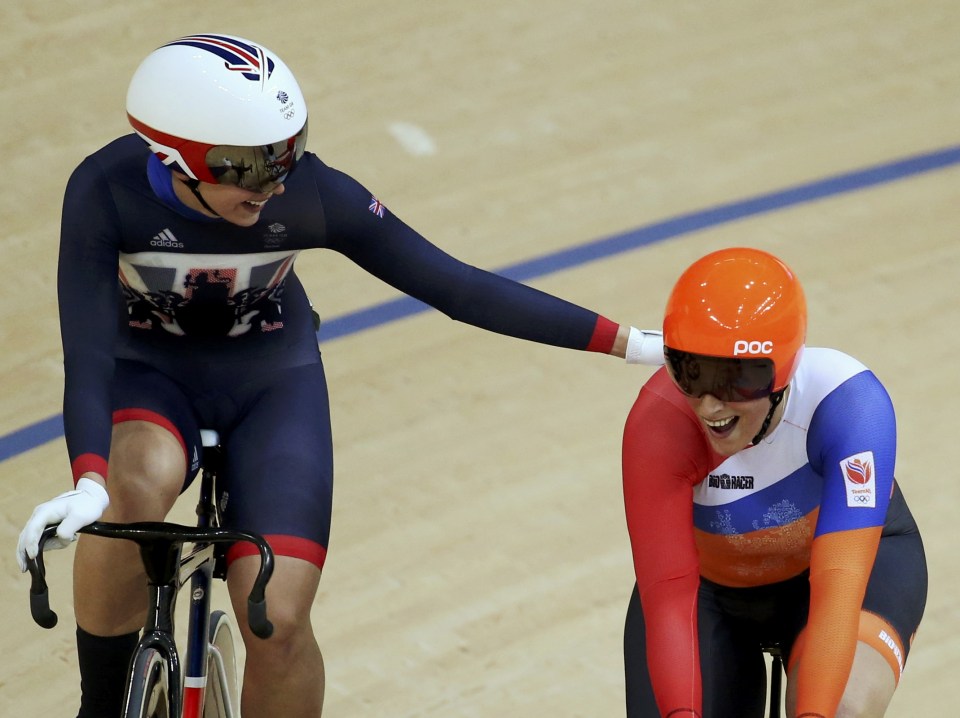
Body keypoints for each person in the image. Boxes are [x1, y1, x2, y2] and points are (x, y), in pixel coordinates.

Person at [13, 33, 663, 718]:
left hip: (269, 381)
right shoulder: (104, 191)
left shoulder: (309, 193)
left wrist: (634, 345)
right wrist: (86, 477)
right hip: (151, 375)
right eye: (244, 167)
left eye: (282, 157)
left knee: (278, 621)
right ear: (172, 157)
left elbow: (457, 287)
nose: (270, 185)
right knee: (130, 490)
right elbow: (88, 353)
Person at [620, 247, 927, 718]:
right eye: (690, 373)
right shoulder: (657, 423)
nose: (709, 407)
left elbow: (838, 585)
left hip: (832, 580)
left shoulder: (851, 408)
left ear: (781, 371)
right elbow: (667, 595)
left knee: (840, 711)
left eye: (735, 381)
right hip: (707, 593)